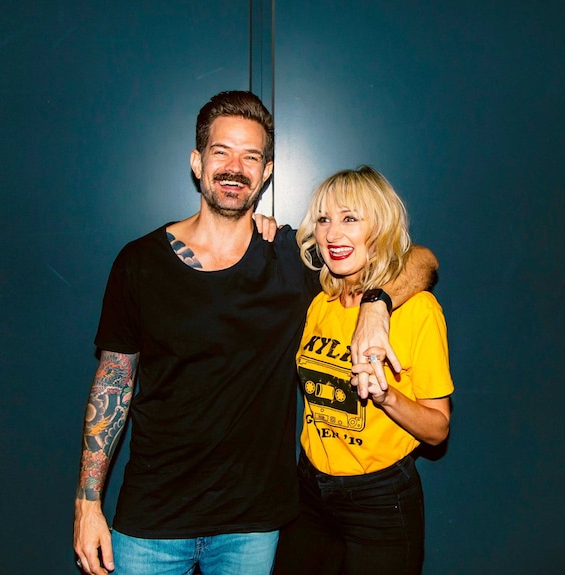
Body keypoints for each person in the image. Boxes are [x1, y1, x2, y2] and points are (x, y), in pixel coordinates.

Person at [72, 91, 439, 575]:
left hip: (252, 528)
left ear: (265, 172)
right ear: (197, 161)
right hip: (150, 521)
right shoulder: (139, 262)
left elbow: (421, 260)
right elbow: (113, 382)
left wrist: (378, 304)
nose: (234, 167)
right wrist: (87, 502)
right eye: (221, 151)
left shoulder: (292, 257)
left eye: (251, 156)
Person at [273, 166, 454, 575]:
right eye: (323, 219)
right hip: (310, 493)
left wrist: (387, 396)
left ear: (381, 227)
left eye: (350, 218)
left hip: (379, 501)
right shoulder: (321, 303)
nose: (332, 234)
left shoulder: (418, 310)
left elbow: (438, 428)